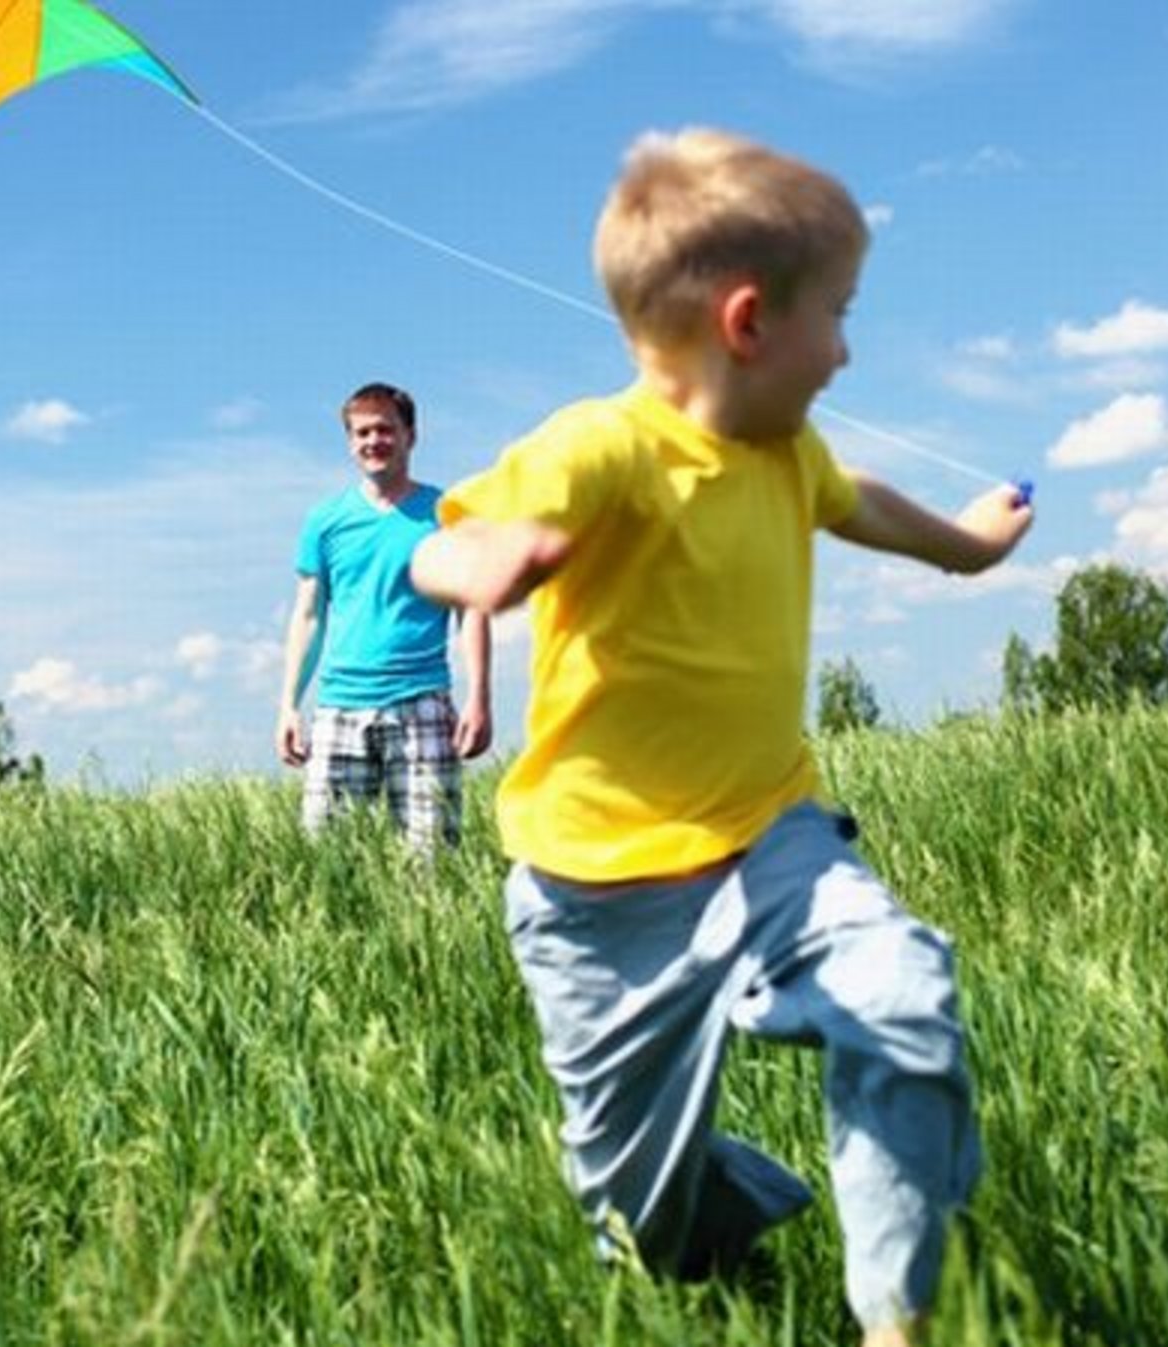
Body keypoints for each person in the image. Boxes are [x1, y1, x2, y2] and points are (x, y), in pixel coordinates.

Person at [409, 130, 1033, 1346]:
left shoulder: (786, 452)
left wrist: (968, 545)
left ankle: (897, 1317)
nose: (847, 350)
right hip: (598, 899)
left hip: (769, 843)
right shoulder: (602, 449)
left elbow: (871, 507)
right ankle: (731, 1219)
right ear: (749, 323)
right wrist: (480, 562)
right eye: (839, 317)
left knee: (906, 998)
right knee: (646, 1224)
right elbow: (442, 538)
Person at [278, 382, 493, 852]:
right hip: (339, 706)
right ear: (350, 442)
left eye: (385, 430)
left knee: (431, 858)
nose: (374, 441)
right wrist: (290, 705)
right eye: (362, 433)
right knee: (326, 860)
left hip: (422, 702)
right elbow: (308, 616)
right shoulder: (326, 520)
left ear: (410, 436)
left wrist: (479, 698)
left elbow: (471, 610)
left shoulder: (448, 514)